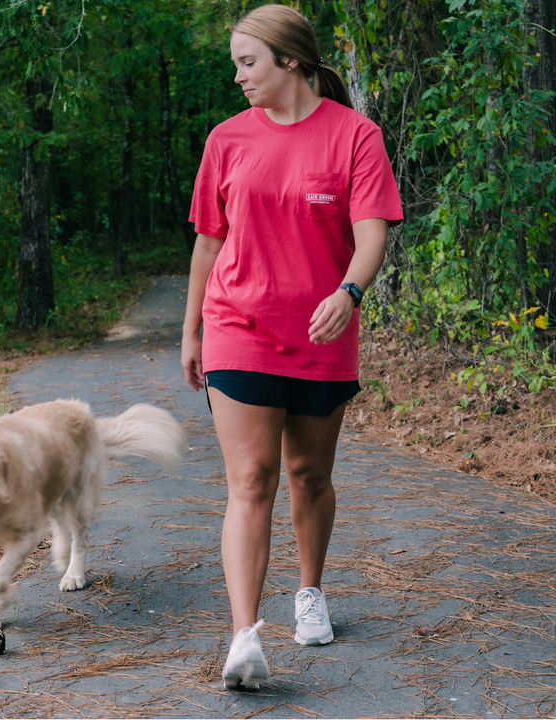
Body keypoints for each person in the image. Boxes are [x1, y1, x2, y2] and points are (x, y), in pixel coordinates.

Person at [180, 4, 403, 691]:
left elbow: (372, 233)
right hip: (237, 326)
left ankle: (309, 592)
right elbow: (209, 241)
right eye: (235, 65)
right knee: (252, 480)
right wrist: (190, 330)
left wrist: (349, 292)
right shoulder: (227, 139)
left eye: (248, 63)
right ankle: (244, 635)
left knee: (309, 476)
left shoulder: (355, 137)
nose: (239, 76)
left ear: (291, 62)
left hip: (322, 332)